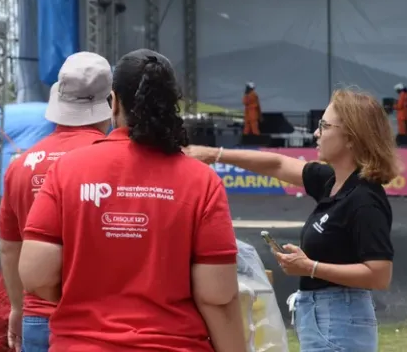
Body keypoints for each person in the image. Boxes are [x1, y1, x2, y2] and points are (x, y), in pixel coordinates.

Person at [18, 49, 246, 352]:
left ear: (114, 102)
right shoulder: (201, 181)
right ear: (172, 102)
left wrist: (89, 303)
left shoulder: (67, 170)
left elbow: (37, 275)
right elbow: (217, 295)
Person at [185, 88, 396, 352]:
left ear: (352, 137)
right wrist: (214, 154)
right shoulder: (332, 182)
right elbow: (277, 165)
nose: (316, 133)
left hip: (339, 317)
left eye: (324, 125)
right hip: (326, 316)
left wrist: (310, 267)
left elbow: (379, 275)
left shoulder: (365, 199)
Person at [0, 52, 113, 352]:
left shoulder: (21, 164)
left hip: (37, 316)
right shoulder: (117, 162)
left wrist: (17, 307)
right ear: (111, 104)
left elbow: (10, 246)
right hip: (103, 318)